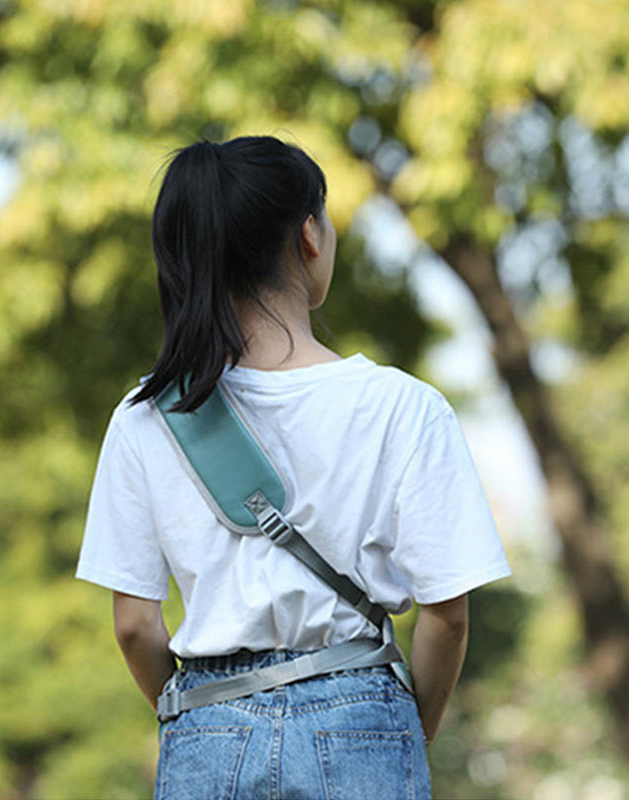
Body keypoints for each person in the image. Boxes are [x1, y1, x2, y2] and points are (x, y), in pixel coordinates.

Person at [75, 135, 512, 799]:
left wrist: (206, 717)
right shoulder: (404, 406)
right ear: (309, 235)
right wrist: (400, 731)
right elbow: (446, 615)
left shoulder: (147, 416)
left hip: (209, 723)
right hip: (362, 714)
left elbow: (135, 625)